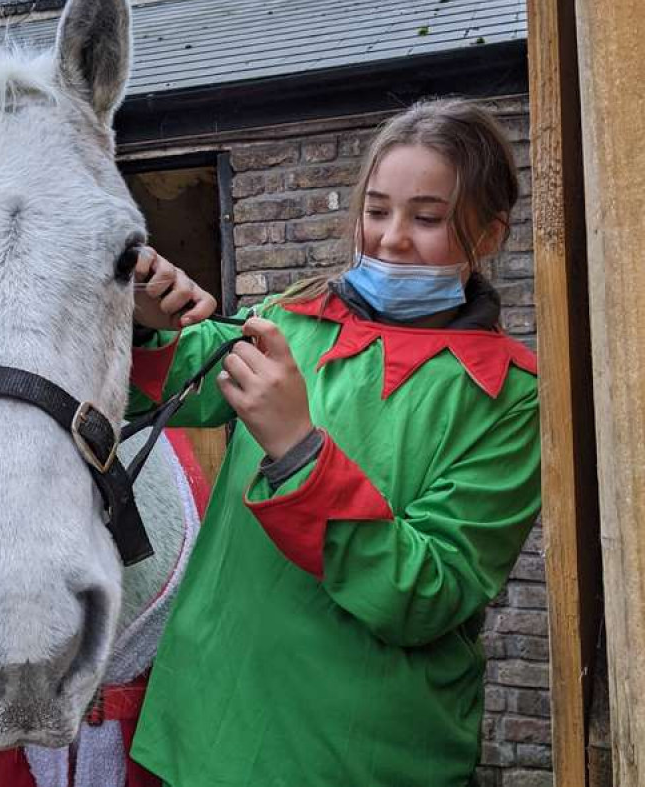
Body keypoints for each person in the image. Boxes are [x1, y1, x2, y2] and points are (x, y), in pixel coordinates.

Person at [126, 98, 541, 787]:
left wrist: (298, 450)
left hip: (356, 752)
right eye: (376, 211)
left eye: (428, 218)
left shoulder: (506, 396)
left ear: (490, 235)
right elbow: (177, 378)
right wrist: (142, 317)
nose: (391, 239)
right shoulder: (295, 315)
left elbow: (431, 592)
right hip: (206, 722)